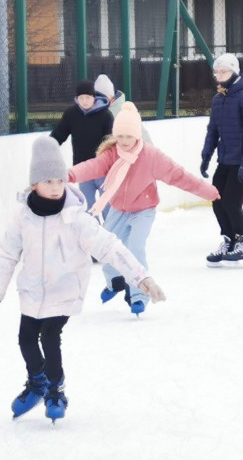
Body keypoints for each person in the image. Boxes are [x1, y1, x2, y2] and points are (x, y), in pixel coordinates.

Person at [0, 136, 165, 424]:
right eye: (48, 181)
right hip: (32, 292)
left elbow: (110, 247)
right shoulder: (23, 217)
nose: (55, 187)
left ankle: (55, 390)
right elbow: (6, 257)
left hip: (65, 290)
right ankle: (37, 382)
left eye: (59, 181)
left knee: (50, 337)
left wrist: (142, 278)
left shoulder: (76, 218)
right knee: (25, 339)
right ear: (34, 184)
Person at [69, 102, 219, 315]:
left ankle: (139, 296)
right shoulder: (112, 154)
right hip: (118, 208)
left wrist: (208, 192)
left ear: (137, 136)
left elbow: (179, 176)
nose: (124, 142)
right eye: (119, 137)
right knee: (106, 247)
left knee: (135, 247)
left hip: (143, 210)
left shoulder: (151, 156)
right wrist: (69, 174)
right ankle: (114, 282)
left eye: (128, 137)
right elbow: (92, 167)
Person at [200, 53, 243, 267]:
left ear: (234, 72)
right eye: (217, 72)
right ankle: (228, 241)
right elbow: (213, 130)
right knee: (217, 200)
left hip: (240, 160)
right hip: (224, 159)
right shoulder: (219, 98)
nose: (219, 76)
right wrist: (206, 156)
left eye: (224, 72)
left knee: (231, 203)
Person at [51, 79, 114, 211]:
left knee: (108, 206)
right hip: (83, 169)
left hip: (103, 170)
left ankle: (110, 230)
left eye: (87, 97)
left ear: (94, 97)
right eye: (81, 98)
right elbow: (59, 134)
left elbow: (112, 142)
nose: (84, 101)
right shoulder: (71, 114)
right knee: (87, 206)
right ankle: (91, 231)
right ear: (76, 98)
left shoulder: (106, 115)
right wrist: (48, 147)